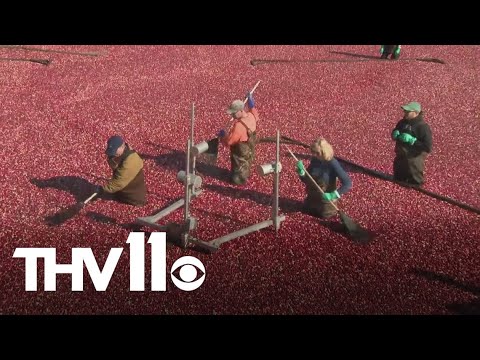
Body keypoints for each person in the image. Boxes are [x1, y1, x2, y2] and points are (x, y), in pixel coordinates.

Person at [296, 138, 352, 219]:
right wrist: (302, 172)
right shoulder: (315, 160)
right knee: (305, 211)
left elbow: (347, 183)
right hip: (311, 199)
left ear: (324, 152)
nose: (314, 155)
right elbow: (307, 180)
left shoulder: (333, 163)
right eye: (313, 152)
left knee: (325, 216)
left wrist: (333, 195)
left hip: (326, 204)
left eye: (317, 153)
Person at [218, 92, 258, 185]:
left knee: (238, 170)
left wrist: (223, 136)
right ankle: (246, 174)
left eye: (233, 113)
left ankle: (239, 180)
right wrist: (251, 104)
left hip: (240, 153)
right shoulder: (251, 116)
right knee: (248, 161)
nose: (232, 115)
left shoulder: (239, 126)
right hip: (250, 149)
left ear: (240, 111)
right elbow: (255, 113)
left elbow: (229, 142)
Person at [95, 135, 147, 206]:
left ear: (122, 146)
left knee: (131, 198)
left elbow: (119, 182)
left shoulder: (130, 162)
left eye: (114, 151)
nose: (112, 154)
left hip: (133, 198)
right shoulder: (119, 154)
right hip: (121, 191)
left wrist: (103, 190)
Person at [391, 101, 432, 186]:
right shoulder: (402, 123)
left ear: (416, 113)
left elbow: (427, 147)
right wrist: (394, 133)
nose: (405, 113)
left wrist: (413, 141)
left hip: (414, 160)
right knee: (398, 180)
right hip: (400, 158)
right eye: (405, 111)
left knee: (415, 183)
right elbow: (395, 131)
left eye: (408, 111)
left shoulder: (423, 127)